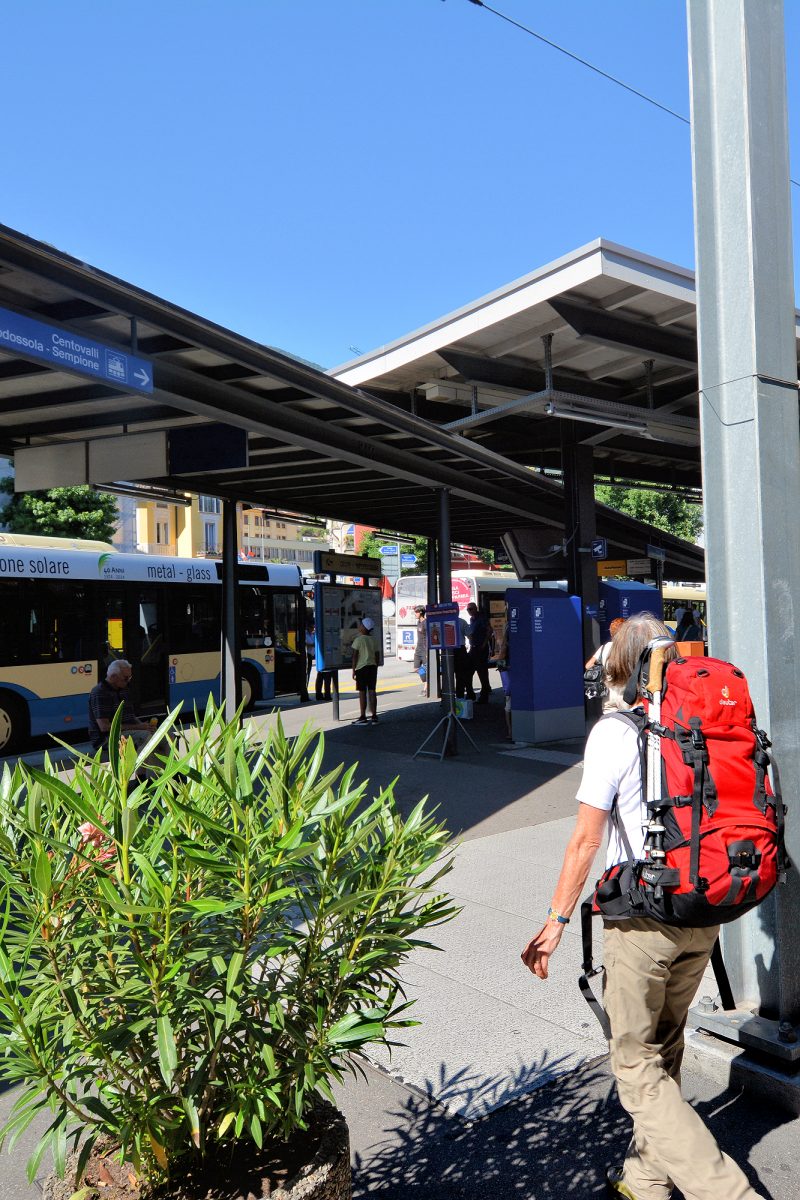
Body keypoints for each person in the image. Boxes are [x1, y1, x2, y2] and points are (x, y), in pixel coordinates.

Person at [520, 613, 766, 1200]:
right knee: (665, 1044)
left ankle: (729, 1194)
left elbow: (585, 840)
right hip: (704, 910)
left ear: (623, 668)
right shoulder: (702, 724)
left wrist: (555, 923)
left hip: (643, 920)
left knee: (634, 1068)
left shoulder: (617, 731)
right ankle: (646, 1179)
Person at [88, 660, 151, 755]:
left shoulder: (123, 689)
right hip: (107, 738)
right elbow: (105, 727)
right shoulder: (99, 692)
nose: (128, 681)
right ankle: (138, 769)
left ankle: (168, 768)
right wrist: (139, 727)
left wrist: (145, 726)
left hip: (127, 732)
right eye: (126, 678)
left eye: (130, 677)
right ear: (113, 677)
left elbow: (131, 716)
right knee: (147, 737)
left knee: (164, 735)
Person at [585, 617, 626, 712]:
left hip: (608, 696)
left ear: (611, 632)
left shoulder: (604, 648)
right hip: (626, 696)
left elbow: (588, 666)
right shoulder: (629, 648)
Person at [351, 616, 379, 726]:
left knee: (362, 692)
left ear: (364, 628)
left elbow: (354, 656)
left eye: (361, 625)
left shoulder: (358, 640)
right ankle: (374, 716)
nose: (359, 626)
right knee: (372, 690)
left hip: (361, 668)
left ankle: (363, 716)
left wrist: (353, 670)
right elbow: (377, 655)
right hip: (372, 667)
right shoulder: (373, 640)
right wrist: (375, 666)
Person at [466, 602, 492, 703]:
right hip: (473, 648)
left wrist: (484, 644)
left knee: (482, 673)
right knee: (469, 672)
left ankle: (484, 696)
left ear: (475, 609)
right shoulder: (472, 620)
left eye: (471, 609)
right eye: (468, 609)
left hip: (480, 648)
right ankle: (471, 694)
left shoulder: (482, 618)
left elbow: (489, 630)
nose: (469, 611)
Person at [453, 613, 473, 700]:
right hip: (460, 649)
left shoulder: (445, 621)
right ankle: (461, 695)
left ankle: (448, 697)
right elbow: (470, 636)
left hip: (448, 650)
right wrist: (472, 647)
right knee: (462, 673)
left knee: (449, 674)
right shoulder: (462, 622)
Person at [413, 605, 428, 696]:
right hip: (418, 649)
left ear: (421, 612)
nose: (415, 614)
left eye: (416, 612)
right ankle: (427, 683)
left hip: (424, 649)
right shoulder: (418, 622)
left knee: (426, 669)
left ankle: (426, 689)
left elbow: (428, 637)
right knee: (416, 668)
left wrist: (427, 651)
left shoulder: (426, 623)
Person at [305, 619, 316, 684]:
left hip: (311, 655)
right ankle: (306, 684)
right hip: (307, 655)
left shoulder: (313, 634)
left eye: (314, 627)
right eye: (312, 627)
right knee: (307, 671)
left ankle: (307, 683)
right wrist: (312, 645)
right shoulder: (305, 634)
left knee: (309, 671)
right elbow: (304, 644)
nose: (313, 629)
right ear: (308, 627)